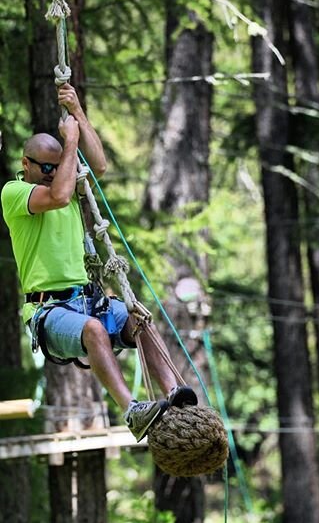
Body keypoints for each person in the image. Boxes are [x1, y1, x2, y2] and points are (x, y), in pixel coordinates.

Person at [1, 83, 196, 441]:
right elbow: (58, 194)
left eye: (56, 166)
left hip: (87, 298)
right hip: (49, 312)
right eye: (45, 166)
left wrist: (77, 112)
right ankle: (131, 410)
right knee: (92, 329)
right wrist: (69, 144)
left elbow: (100, 165)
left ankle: (174, 394)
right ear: (24, 164)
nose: (51, 172)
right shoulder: (15, 194)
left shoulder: (65, 182)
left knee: (140, 320)